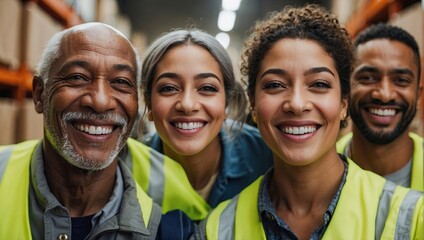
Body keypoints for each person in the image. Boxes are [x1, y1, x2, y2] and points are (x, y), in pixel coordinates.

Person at [195, 4, 423, 239]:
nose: (296, 103)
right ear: (253, 103)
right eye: (275, 85)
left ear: (344, 102)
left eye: (319, 84)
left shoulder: (414, 218)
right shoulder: (216, 229)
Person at [0, 22, 194, 239]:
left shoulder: (174, 224)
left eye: (121, 82)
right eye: (77, 77)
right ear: (39, 94)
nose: (100, 101)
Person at [130, 29, 273, 219]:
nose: (188, 105)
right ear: (148, 103)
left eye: (207, 88)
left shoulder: (267, 159)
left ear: (226, 103)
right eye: (169, 88)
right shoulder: (127, 173)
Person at [336, 23, 423, 192]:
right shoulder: (317, 174)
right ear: (346, 90)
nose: (384, 94)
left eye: (401, 80)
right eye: (368, 78)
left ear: (419, 94)